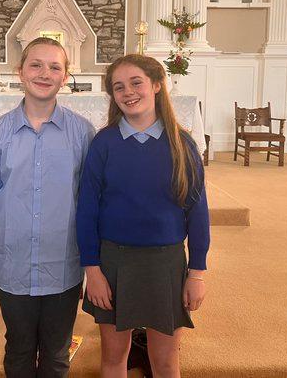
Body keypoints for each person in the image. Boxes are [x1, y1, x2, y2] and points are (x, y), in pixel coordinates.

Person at [76, 54, 210, 377]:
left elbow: (198, 213)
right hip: (113, 262)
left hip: (165, 262)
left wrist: (196, 273)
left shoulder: (182, 144)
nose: (128, 92)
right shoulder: (104, 143)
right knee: (113, 357)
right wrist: (92, 270)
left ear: (157, 85)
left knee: (165, 361)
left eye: (136, 83)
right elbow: (87, 209)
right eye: (119, 87)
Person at [0, 37, 96, 377]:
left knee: (57, 352)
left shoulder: (82, 133)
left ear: (65, 77)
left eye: (54, 67)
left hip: (61, 264)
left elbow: (86, 195)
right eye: (36, 65)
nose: (44, 73)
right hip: (14, 263)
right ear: (20, 72)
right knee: (18, 348)